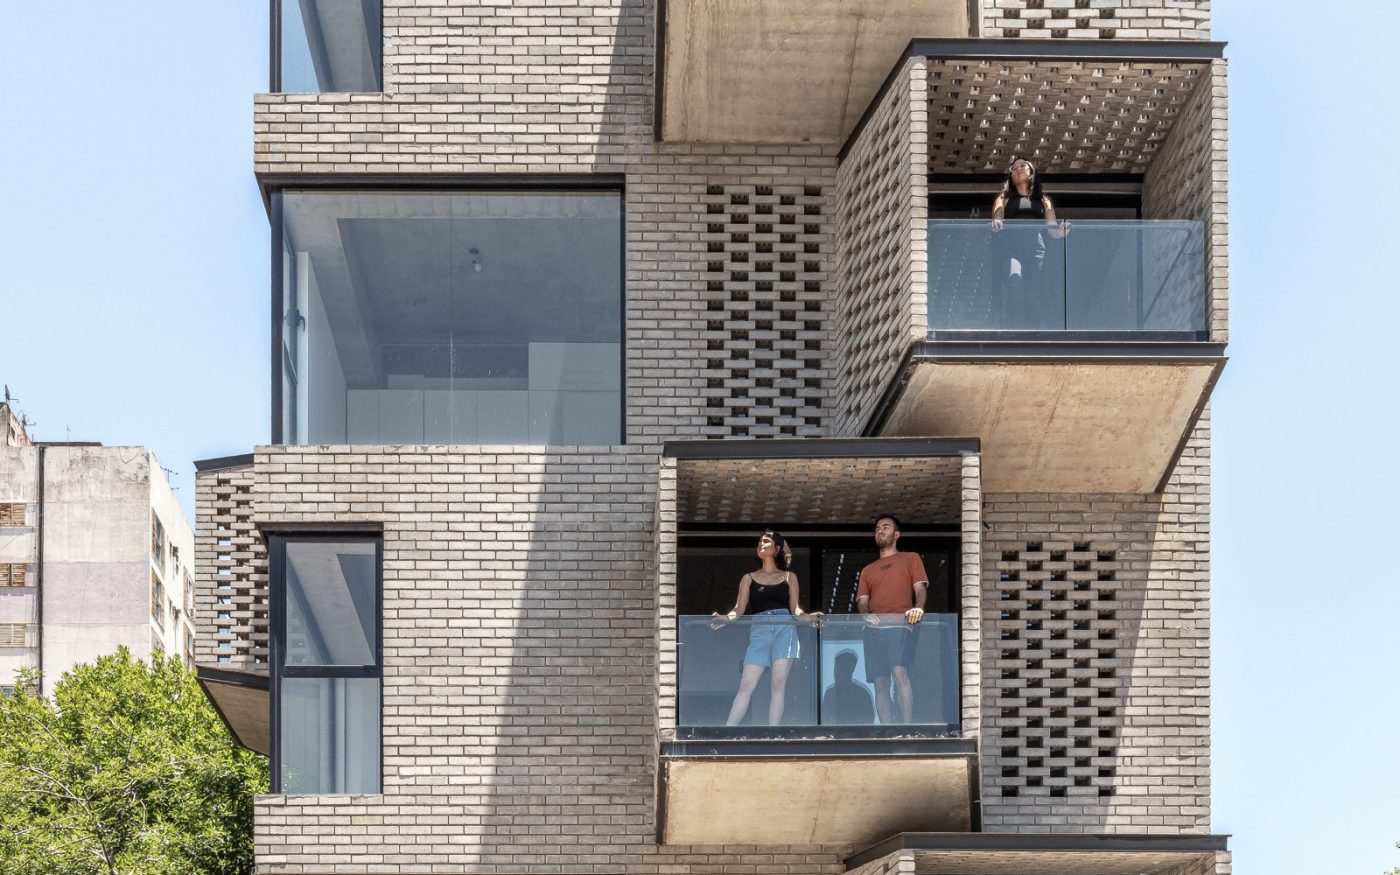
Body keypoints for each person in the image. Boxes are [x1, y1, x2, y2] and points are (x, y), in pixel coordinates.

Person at [714, 529, 819, 727]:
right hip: (760, 629)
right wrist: (726, 618)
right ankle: (727, 731)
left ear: (776, 548)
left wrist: (807, 618)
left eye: (766, 541)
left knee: (778, 684)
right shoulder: (749, 578)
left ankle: (772, 732)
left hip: (785, 628)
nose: (761, 545)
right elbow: (739, 608)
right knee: (746, 684)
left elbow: (795, 609)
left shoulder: (789, 577)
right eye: (760, 542)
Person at [856, 514, 929, 725]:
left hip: (900, 625)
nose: (880, 530)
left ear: (896, 534)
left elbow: (920, 590)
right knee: (880, 682)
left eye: (886, 527)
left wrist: (918, 608)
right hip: (874, 629)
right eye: (878, 527)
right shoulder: (867, 570)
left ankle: (906, 728)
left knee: (899, 671)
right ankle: (887, 730)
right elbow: (862, 602)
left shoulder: (911, 558)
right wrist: (865, 615)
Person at [990, 156, 1070, 328]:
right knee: (1014, 283)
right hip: (1011, 248)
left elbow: (1052, 230)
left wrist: (1061, 232)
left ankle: (1032, 331)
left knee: (1034, 292)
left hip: (1035, 250)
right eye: (1014, 167)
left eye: (1022, 166)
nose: (1018, 169)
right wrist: (997, 223)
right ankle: (1012, 329)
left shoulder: (1043, 200)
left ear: (1031, 172)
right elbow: (998, 216)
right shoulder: (1004, 198)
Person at [821, 648, 875, 725]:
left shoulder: (862, 695)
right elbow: (824, 721)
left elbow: (868, 721)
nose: (837, 673)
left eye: (842, 669)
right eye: (836, 669)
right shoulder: (830, 694)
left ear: (850, 671)